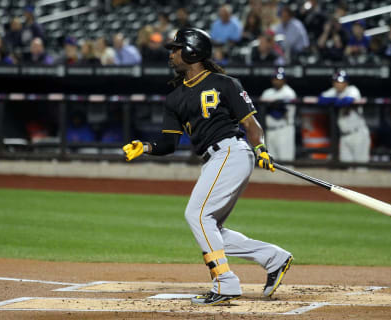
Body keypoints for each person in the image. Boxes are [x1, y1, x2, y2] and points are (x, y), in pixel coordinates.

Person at [122, 28, 293, 306]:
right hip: (215, 159)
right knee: (211, 226)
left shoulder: (225, 83)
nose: (172, 54)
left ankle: (225, 283)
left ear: (192, 52)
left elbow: (251, 124)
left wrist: (260, 149)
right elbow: (168, 144)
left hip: (231, 151)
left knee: (197, 215)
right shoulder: (174, 97)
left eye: (177, 49)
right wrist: (146, 147)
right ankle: (274, 258)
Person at [319, 70, 370, 163]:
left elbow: (347, 101)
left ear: (346, 83)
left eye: (341, 82)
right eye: (336, 82)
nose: (338, 84)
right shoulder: (334, 92)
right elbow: (321, 99)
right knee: (347, 170)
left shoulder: (353, 90)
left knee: (361, 169)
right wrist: (336, 100)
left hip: (358, 134)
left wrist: (333, 101)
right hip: (344, 136)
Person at [260, 68, 297, 161]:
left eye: (279, 79)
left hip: (284, 130)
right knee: (271, 163)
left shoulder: (289, 92)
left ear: (284, 80)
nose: (277, 81)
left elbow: (278, 114)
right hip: (269, 131)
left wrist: (269, 106)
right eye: (275, 79)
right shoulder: (267, 92)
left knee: (286, 162)